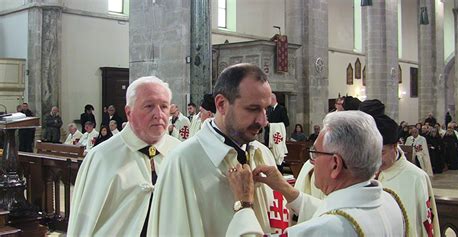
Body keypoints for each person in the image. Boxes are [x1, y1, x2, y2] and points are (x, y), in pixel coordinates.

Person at [149, 63, 291, 236]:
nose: (263, 121)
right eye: (253, 109)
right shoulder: (183, 162)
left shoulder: (263, 154)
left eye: (266, 109)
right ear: (222, 104)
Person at [226, 111, 406, 236]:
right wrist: (286, 189)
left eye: (316, 153)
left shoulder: (333, 227)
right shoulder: (390, 201)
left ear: (335, 164)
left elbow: (330, 224)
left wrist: (244, 204)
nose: (312, 161)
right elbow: (331, 211)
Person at [68, 76, 181, 236]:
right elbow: (83, 224)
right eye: (149, 106)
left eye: (164, 106)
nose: (158, 114)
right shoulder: (102, 157)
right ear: (129, 112)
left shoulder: (179, 153)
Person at [359, 99, 440, 237]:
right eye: (371, 153)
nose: (376, 160)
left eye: (382, 152)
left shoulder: (416, 177)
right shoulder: (364, 173)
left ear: (395, 147)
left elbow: (426, 225)